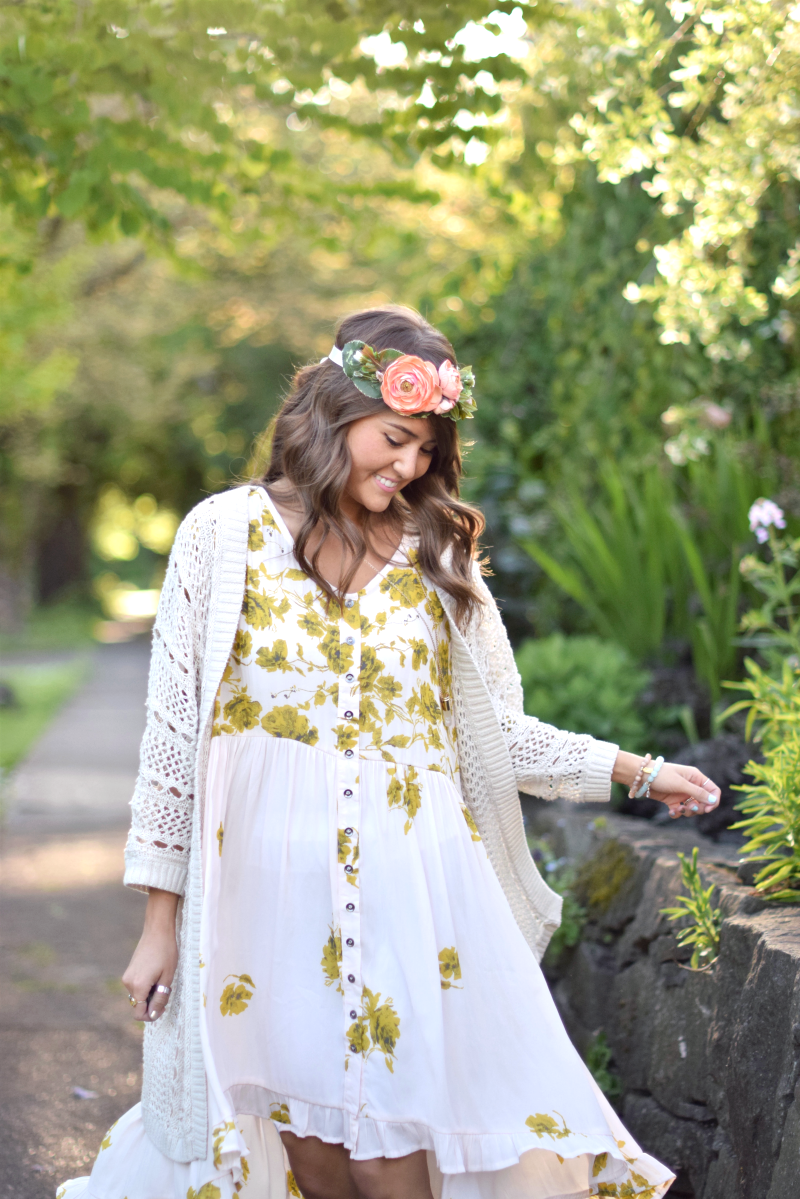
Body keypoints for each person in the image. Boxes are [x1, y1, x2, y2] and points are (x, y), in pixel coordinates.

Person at [58, 305, 720, 1199]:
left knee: (389, 1149)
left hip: (414, 892)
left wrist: (637, 771)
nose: (408, 466)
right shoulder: (222, 536)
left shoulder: (439, 554)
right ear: (335, 412)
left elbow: (494, 732)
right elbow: (173, 745)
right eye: (395, 439)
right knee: (315, 1155)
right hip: (265, 897)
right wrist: (159, 927)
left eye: (426, 450)